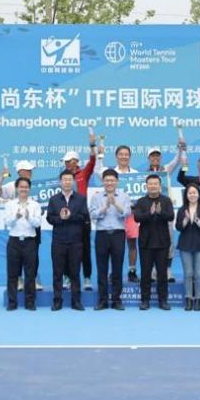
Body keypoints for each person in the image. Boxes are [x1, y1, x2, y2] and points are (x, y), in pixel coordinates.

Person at [0, 160, 43, 291]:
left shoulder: (35, 185)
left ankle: (34, 279)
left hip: (33, 226)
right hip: (18, 226)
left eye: (31, 170)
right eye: (28, 170)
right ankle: (19, 279)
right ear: (21, 172)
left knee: (34, 255)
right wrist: (2, 177)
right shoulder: (12, 186)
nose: (30, 172)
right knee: (17, 258)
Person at [46, 170, 90, 311]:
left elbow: (84, 217)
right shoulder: (54, 199)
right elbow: (49, 218)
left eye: (70, 179)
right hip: (58, 241)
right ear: (60, 182)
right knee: (57, 272)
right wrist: (60, 218)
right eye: (64, 179)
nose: (67, 182)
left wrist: (70, 216)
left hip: (75, 241)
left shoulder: (80, 199)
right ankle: (57, 301)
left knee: (75, 272)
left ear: (73, 181)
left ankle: (76, 301)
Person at [96, 145, 140, 283]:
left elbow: (140, 194)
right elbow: (97, 169)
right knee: (112, 246)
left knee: (132, 244)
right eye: (121, 154)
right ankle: (112, 273)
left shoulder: (136, 174)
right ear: (116, 156)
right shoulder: (111, 173)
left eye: (126, 154)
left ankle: (132, 271)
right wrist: (100, 156)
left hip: (130, 213)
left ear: (130, 156)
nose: (123, 157)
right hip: (112, 213)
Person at [89, 169, 131, 310]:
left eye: (112, 180)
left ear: (117, 181)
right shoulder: (96, 197)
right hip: (102, 234)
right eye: (107, 180)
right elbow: (93, 214)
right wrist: (105, 207)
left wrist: (116, 204)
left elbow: (127, 213)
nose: (109, 183)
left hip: (118, 234)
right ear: (103, 181)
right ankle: (102, 300)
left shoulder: (124, 196)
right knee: (102, 268)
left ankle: (116, 300)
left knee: (117, 268)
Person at [133, 174, 175, 310]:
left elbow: (171, 216)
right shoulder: (141, 201)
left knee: (162, 274)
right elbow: (137, 218)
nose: (153, 186)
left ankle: (163, 300)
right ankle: (145, 300)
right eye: (150, 184)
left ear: (159, 185)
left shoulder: (166, 200)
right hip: (146, 243)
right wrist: (150, 213)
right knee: (145, 274)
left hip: (162, 243)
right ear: (146, 186)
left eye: (155, 184)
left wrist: (160, 212)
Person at [61, 132, 97, 291]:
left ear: (76, 161)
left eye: (69, 161)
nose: (67, 164)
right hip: (67, 217)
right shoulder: (63, 177)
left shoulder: (84, 173)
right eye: (65, 162)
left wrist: (92, 145)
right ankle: (67, 277)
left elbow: (93, 160)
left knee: (85, 248)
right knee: (67, 248)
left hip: (83, 216)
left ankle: (87, 278)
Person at [3, 177, 42, 311]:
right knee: (12, 274)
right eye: (21, 187)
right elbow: (7, 222)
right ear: (17, 188)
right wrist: (16, 217)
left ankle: (30, 302)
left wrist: (28, 216)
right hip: (14, 241)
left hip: (30, 242)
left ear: (29, 189)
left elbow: (37, 223)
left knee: (30, 274)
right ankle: (12, 302)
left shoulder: (35, 205)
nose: (23, 189)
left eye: (26, 187)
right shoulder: (10, 204)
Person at [146, 146, 183, 283]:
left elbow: (177, 160)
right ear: (149, 158)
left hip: (165, 210)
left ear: (160, 157)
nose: (155, 158)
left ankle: (167, 269)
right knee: (150, 240)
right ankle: (153, 270)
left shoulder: (166, 169)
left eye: (157, 155)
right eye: (152, 156)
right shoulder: (143, 174)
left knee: (169, 240)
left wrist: (180, 149)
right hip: (149, 212)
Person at [175, 184, 200, 311]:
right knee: (188, 273)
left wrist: (197, 221)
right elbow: (178, 227)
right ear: (186, 195)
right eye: (190, 193)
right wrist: (185, 220)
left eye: (194, 192)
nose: (192, 195)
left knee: (198, 274)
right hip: (185, 245)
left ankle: (198, 299)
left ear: (199, 194)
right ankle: (189, 299)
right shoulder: (182, 209)